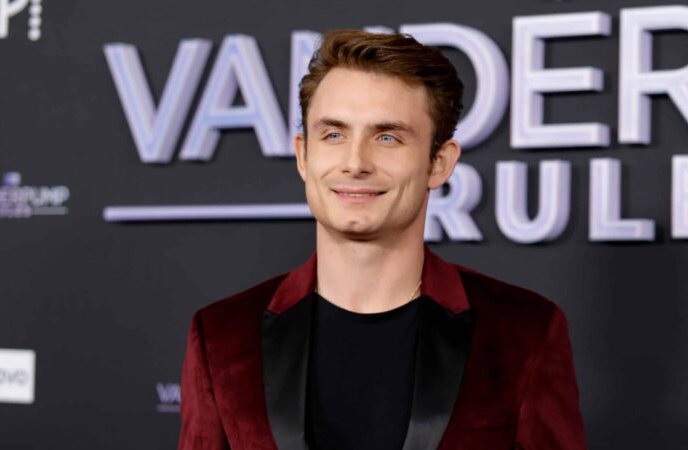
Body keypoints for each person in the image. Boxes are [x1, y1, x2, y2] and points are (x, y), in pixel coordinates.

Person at [178, 29, 586, 450]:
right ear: (303, 155)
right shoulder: (222, 335)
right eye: (334, 135)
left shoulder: (524, 331)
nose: (355, 163)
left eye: (387, 137)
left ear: (439, 163)